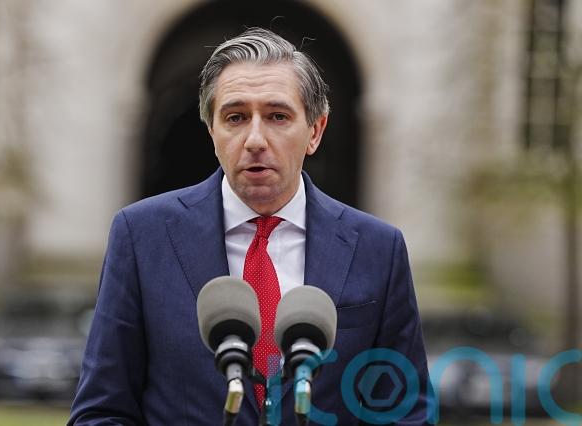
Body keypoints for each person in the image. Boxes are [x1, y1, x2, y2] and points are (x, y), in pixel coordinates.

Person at [69, 27, 431, 425]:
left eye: (277, 116)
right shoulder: (142, 236)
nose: (255, 139)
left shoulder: (377, 248)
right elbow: (101, 411)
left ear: (315, 131)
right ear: (212, 131)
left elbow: (405, 413)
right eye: (236, 117)